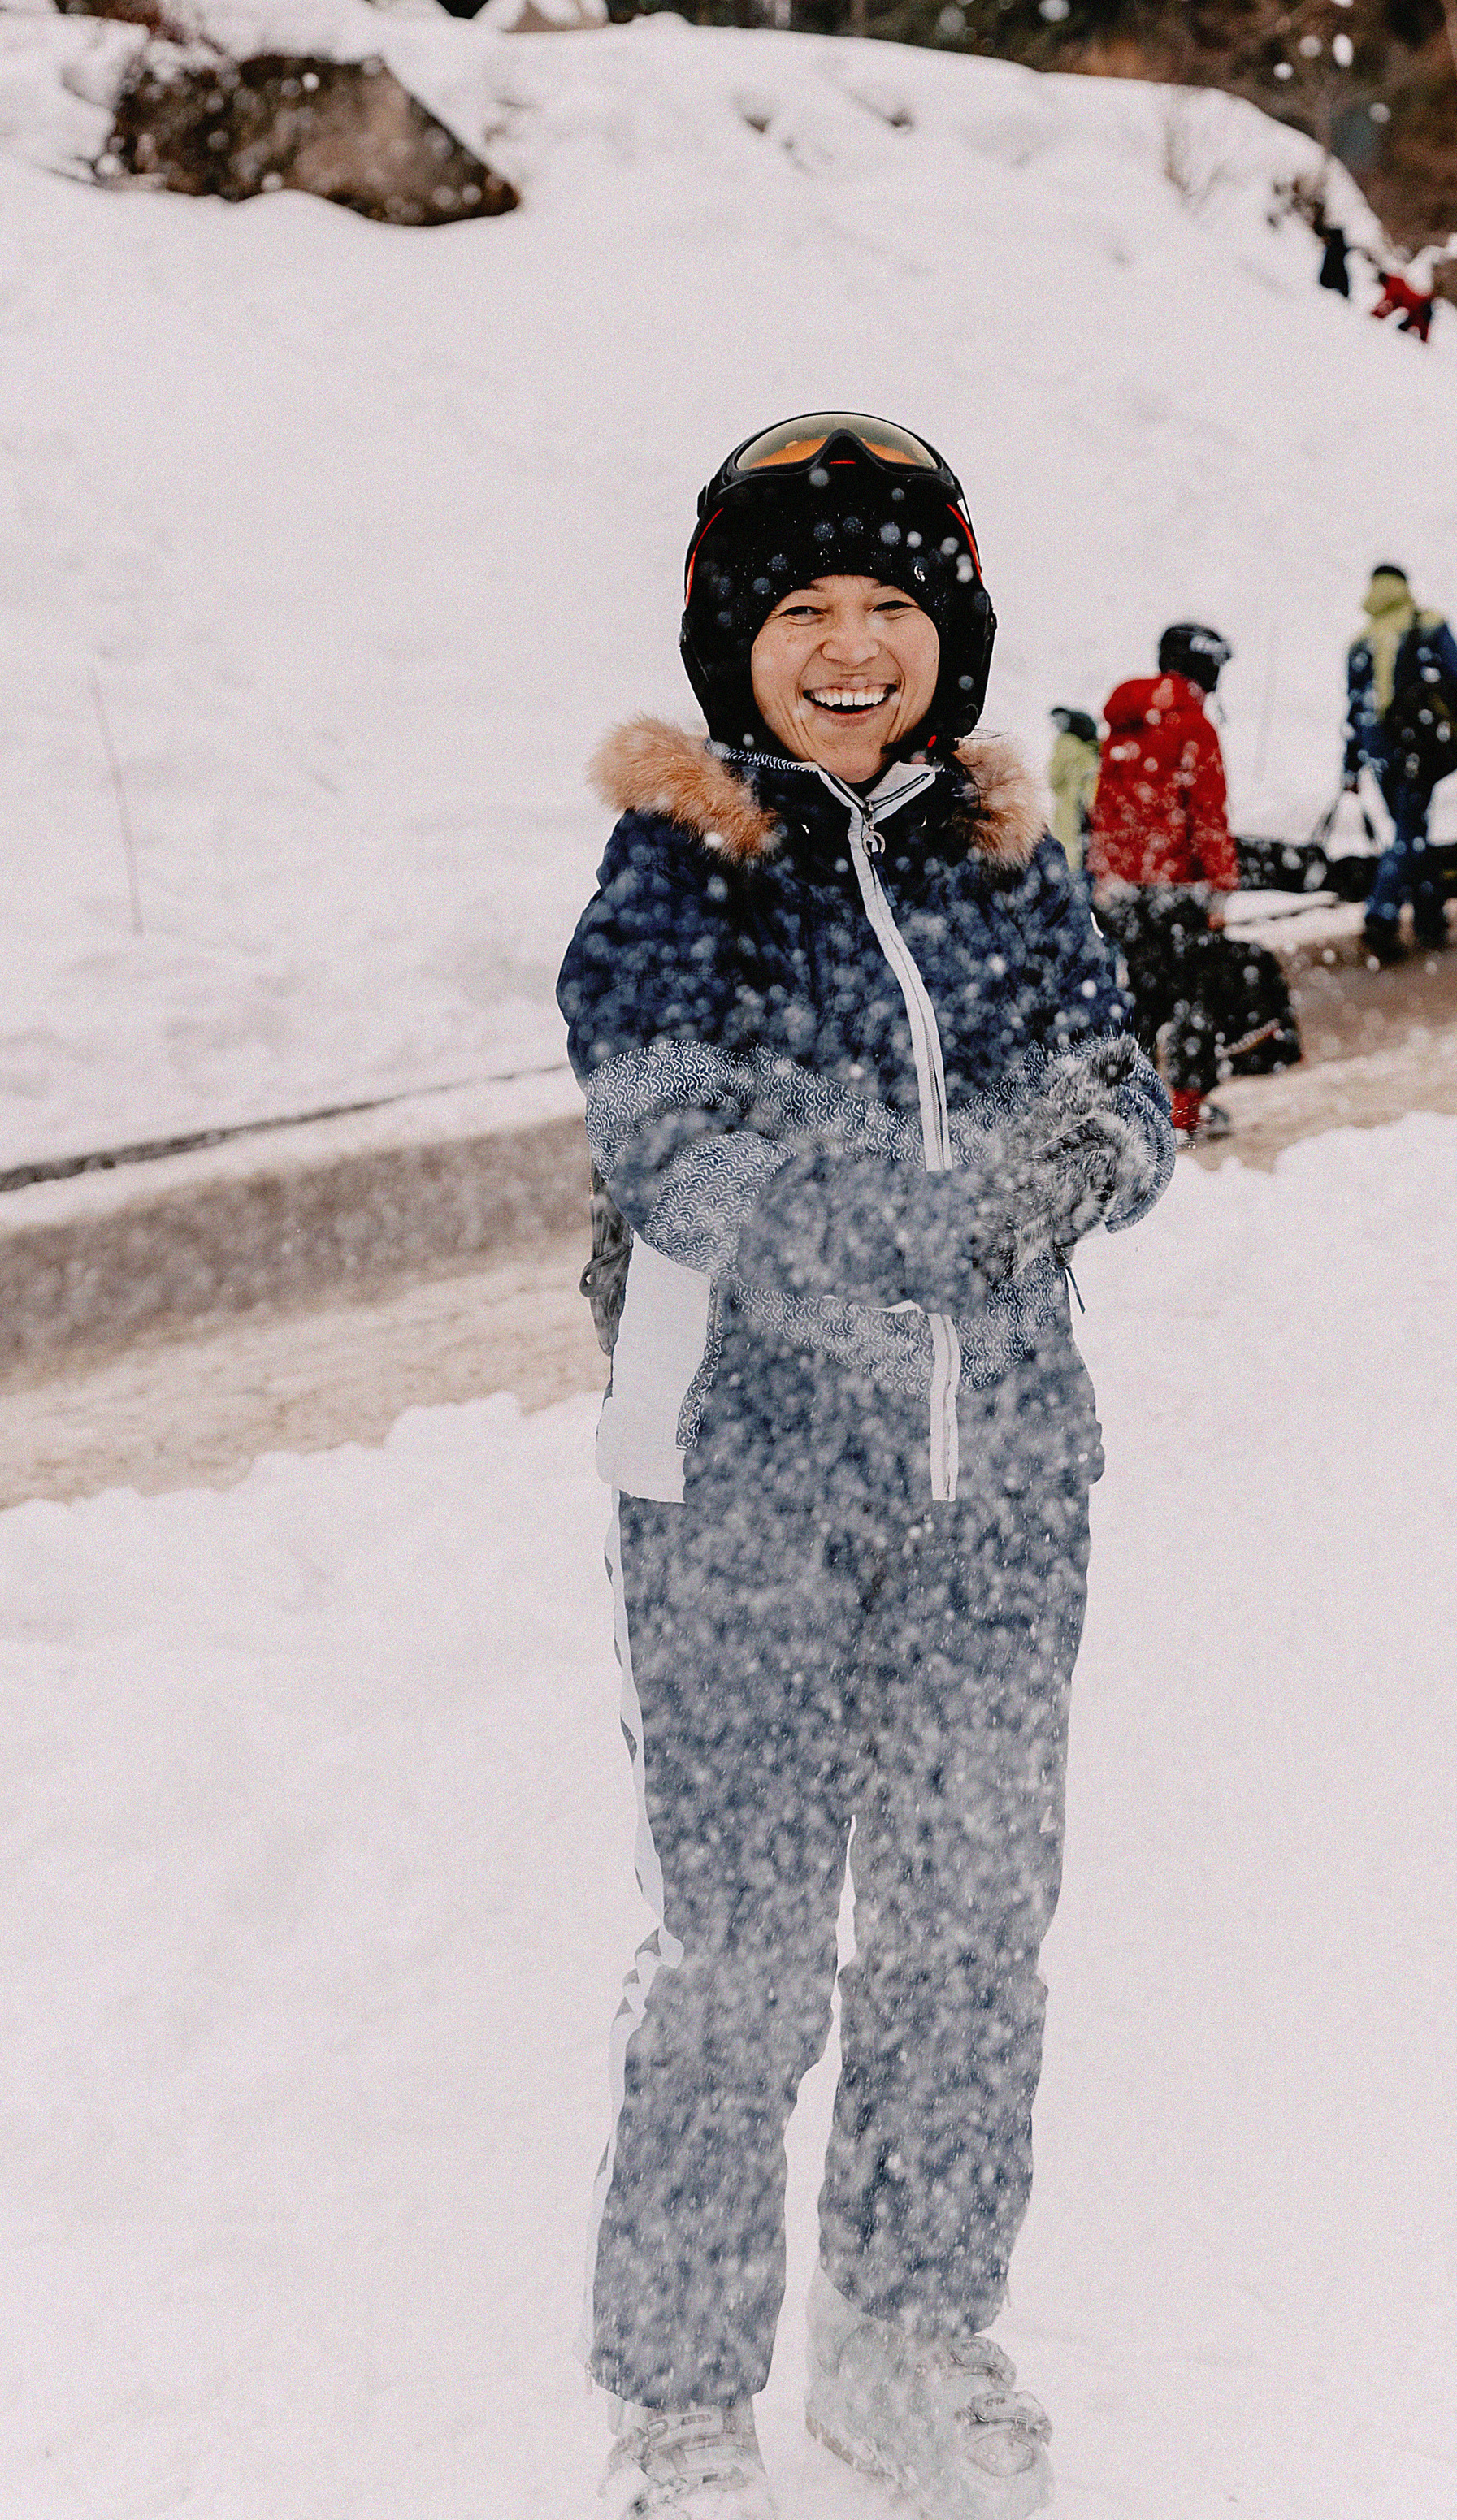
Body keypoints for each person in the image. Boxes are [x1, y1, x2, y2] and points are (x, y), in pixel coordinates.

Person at [558, 414, 1174, 2520]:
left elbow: (1117, 1084)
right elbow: (669, 1142)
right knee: (738, 1947)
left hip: (1000, 1492)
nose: (848, 646)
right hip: (737, 1495)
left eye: (889, 606)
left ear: (951, 634)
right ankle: (679, 2397)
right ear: (738, 639)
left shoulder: (1010, 853)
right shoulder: (680, 864)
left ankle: (909, 2341)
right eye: (803, 608)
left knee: (964, 1932)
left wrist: (1085, 1157)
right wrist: (902, 1244)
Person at [1086, 621, 1241, 1141]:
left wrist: (1106, 877)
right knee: (1196, 1000)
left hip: (1127, 891)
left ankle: (1134, 1110)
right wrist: (1220, 884)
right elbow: (1208, 814)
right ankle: (1185, 1113)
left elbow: (1105, 809)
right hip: (1178, 891)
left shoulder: (1124, 725)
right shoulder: (1193, 726)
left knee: (1143, 1000)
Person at [1342, 565, 1457, 963]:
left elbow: (1356, 710)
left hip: (1379, 751)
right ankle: (1381, 918)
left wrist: (1351, 767)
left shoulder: (1361, 644)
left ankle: (1429, 916)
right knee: (1410, 831)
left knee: (1411, 827)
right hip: (1420, 744)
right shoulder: (1427, 626)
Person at [1045, 702, 1099, 864]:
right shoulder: (1093, 755)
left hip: (1068, 817)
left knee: (1067, 856)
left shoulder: (1066, 744)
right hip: (1089, 820)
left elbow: (1053, 779)